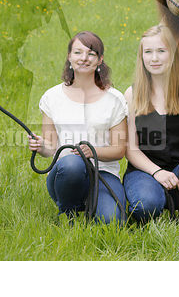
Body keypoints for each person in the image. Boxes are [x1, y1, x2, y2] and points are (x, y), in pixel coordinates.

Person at [28, 31, 128, 224]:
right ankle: (68, 212)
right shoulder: (52, 97)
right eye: (78, 52)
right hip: (66, 172)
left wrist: (93, 151)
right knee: (72, 164)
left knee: (111, 221)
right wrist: (41, 147)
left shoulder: (115, 99)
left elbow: (119, 150)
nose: (84, 58)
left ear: (100, 60)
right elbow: (50, 148)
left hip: (103, 173)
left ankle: (95, 203)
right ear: (69, 57)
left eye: (91, 53)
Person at [123, 24, 179, 226]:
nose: (154, 58)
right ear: (142, 57)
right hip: (145, 171)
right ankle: (161, 198)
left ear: (172, 54)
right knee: (145, 206)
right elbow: (131, 149)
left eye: (161, 51)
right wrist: (157, 173)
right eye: (148, 52)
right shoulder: (132, 95)